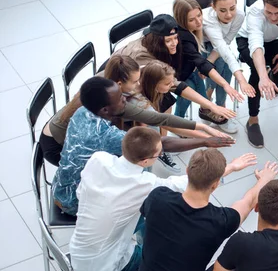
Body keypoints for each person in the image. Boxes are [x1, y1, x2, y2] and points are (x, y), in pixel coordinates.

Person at [69, 127, 254, 271]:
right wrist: (231, 167)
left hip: (76, 251)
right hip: (104, 269)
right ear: (145, 161)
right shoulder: (145, 185)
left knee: (145, 215)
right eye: (158, 155)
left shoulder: (98, 159)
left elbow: (80, 194)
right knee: (156, 256)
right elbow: (186, 183)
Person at [52, 77, 235, 216]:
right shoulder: (103, 134)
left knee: (141, 162)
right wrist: (204, 141)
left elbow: (156, 119)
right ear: (105, 110)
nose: (125, 98)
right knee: (147, 209)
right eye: (120, 98)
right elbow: (160, 144)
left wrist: (199, 128)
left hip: (61, 185)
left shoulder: (84, 111)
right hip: (73, 200)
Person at [39, 55, 221, 166]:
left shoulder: (105, 86)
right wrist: (204, 138)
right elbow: (160, 135)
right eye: (135, 82)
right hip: (57, 144)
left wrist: (203, 128)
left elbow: (158, 117)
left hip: (61, 129)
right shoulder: (103, 122)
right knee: (133, 154)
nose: (139, 84)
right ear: (119, 84)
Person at [130, 152, 275, 271]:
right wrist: (264, 180)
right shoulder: (221, 222)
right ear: (216, 184)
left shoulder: (158, 197)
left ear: (187, 171)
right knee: (233, 262)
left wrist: (230, 167)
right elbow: (248, 202)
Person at [109, 13, 237, 123]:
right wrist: (211, 106)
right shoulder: (143, 56)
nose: (174, 43)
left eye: (175, 38)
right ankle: (161, 143)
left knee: (173, 93)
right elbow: (174, 85)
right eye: (168, 40)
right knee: (163, 103)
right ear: (157, 41)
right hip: (121, 88)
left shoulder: (157, 45)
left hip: (141, 78)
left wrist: (224, 85)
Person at [236, 0, 278, 148]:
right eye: (269, 12)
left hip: (276, 40)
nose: (273, 17)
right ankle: (252, 120)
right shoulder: (255, 13)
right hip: (247, 40)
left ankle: (271, 72)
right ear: (263, 4)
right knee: (257, 73)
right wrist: (263, 76)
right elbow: (256, 44)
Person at [172, 0, 244, 132]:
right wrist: (225, 84)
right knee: (189, 87)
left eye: (199, 15)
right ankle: (209, 107)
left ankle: (212, 106)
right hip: (178, 74)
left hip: (193, 63)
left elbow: (222, 46)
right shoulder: (185, 38)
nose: (199, 21)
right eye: (192, 20)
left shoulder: (196, 29)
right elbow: (199, 61)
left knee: (224, 63)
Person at [203, 0, 257, 132]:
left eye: (232, 8)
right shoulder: (208, 19)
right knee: (221, 63)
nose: (228, 14)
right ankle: (211, 105)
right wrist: (241, 79)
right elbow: (222, 48)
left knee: (224, 65)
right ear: (213, 7)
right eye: (222, 10)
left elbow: (226, 41)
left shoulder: (239, 15)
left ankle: (212, 107)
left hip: (221, 45)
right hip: (201, 43)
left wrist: (210, 60)